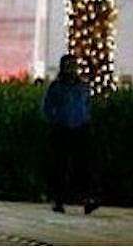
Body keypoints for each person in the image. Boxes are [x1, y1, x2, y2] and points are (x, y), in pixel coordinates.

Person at [42, 54, 98, 214]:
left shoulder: (82, 87)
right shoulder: (57, 87)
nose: (71, 69)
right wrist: (55, 120)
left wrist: (85, 119)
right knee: (60, 165)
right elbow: (47, 107)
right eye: (68, 66)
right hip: (62, 128)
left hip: (80, 128)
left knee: (83, 165)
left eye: (73, 66)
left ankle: (87, 198)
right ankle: (58, 199)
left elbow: (87, 104)